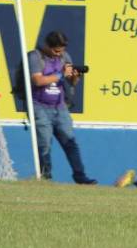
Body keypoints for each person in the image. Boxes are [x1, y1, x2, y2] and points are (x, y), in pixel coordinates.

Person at [27, 31, 96, 185]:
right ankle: (45, 177)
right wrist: (60, 74)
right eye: (56, 51)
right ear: (47, 45)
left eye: (61, 51)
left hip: (60, 107)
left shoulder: (64, 57)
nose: (59, 54)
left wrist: (75, 76)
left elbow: (72, 83)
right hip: (40, 107)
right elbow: (37, 80)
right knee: (44, 144)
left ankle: (80, 176)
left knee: (70, 142)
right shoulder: (35, 57)